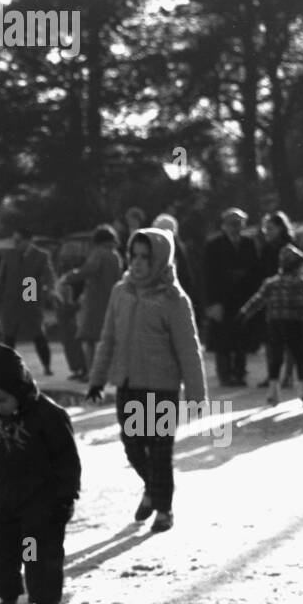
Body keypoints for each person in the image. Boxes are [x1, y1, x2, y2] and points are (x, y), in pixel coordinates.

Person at [87, 228, 207, 533]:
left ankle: (164, 509)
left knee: (160, 450)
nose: (138, 263)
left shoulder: (173, 298)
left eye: (146, 257)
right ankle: (153, 490)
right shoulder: (121, 292)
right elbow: (108, 339)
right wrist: (97, 380)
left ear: (161, 259)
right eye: (134, 256)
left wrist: (196, 393)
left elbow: (188, 348)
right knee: (133, 447)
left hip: (162, 390)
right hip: (128, 384)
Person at [0, 344, 80, 604]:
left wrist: (64, 498)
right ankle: (8, 602)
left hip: (40, 503)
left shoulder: (49, 416)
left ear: (18, 389)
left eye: (2, 399)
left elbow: (67, 461)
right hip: (2, 500)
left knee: (38, 556)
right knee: (2, 553)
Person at [238, 243, 303, 404]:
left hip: (275, 324)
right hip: (295, 323)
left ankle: (273, 392)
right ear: (297, 266)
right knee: (300, 355)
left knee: (275, 357)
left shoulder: (270, 282)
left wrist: (244, 313)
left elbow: (258, 300)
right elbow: (302, 303)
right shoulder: (300, 282)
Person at [201, 208, 261, 386]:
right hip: (222, 299)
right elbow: (207, 275)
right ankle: (225, 374)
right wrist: (211, 303)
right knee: (223, 339)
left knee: (242, 338)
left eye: (239, 223)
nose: (236, 227)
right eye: (232, 224)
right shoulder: (213, 245)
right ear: (224, 225)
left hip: (242, 298)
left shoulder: (248, 243)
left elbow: (254, 270)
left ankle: (240, 372)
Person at [0, 228, 55, 374]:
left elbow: (49, 275)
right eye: (14, 241)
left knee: (38, 333)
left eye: (18, 241)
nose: (15, 244)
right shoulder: (9, 254)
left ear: (28, 241)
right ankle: (9, 368)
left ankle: (47, 366)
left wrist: (51, 290)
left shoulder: (41, 256)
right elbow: (1, 278)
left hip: (30, 293)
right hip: (11, 298)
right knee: (9, 335)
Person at [64, 225, 122, 381]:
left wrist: (69, 276)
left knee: (89, 340)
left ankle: (91, 373)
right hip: (111, 301)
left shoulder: (99, 253)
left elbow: (88, 270)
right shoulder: (115, 255)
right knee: (107, 340)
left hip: (95, 302)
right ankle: (107, 372)